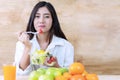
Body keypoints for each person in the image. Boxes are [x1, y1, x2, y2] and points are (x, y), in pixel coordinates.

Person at [14, 1, 74, 75]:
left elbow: (69, 76)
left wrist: (56, 65)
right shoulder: (22, 44)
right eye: (37, 16)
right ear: (32, 20)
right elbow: (20, 74)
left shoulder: (66, 46)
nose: (41, 21)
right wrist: (27, 47)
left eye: (47, 16)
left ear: (53, 20)